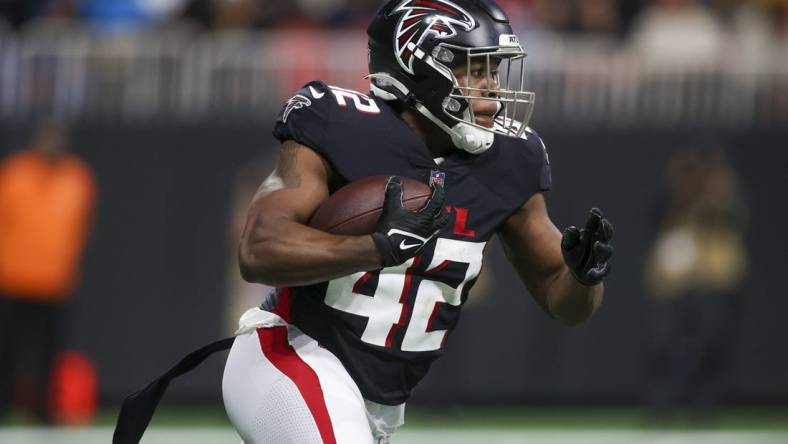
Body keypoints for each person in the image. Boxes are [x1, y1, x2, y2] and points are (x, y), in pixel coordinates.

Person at [223, 0, 614, 443]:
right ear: (417, 69)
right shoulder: (339, 124)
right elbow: (258, 252)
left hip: (379, 404)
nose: (492, 88)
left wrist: (584, 277)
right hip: (290, 354)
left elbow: (561, 300)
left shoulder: (511, 160)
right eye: (475, 70)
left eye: (495, 71)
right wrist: (373, 248)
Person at [0, 122, 96, 423]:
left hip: (55, 282)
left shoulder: (77, 178)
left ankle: (44, 411)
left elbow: (79, 228)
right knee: (7, 349)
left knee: (48, 354)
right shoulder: (15, 173)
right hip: (13, 279)